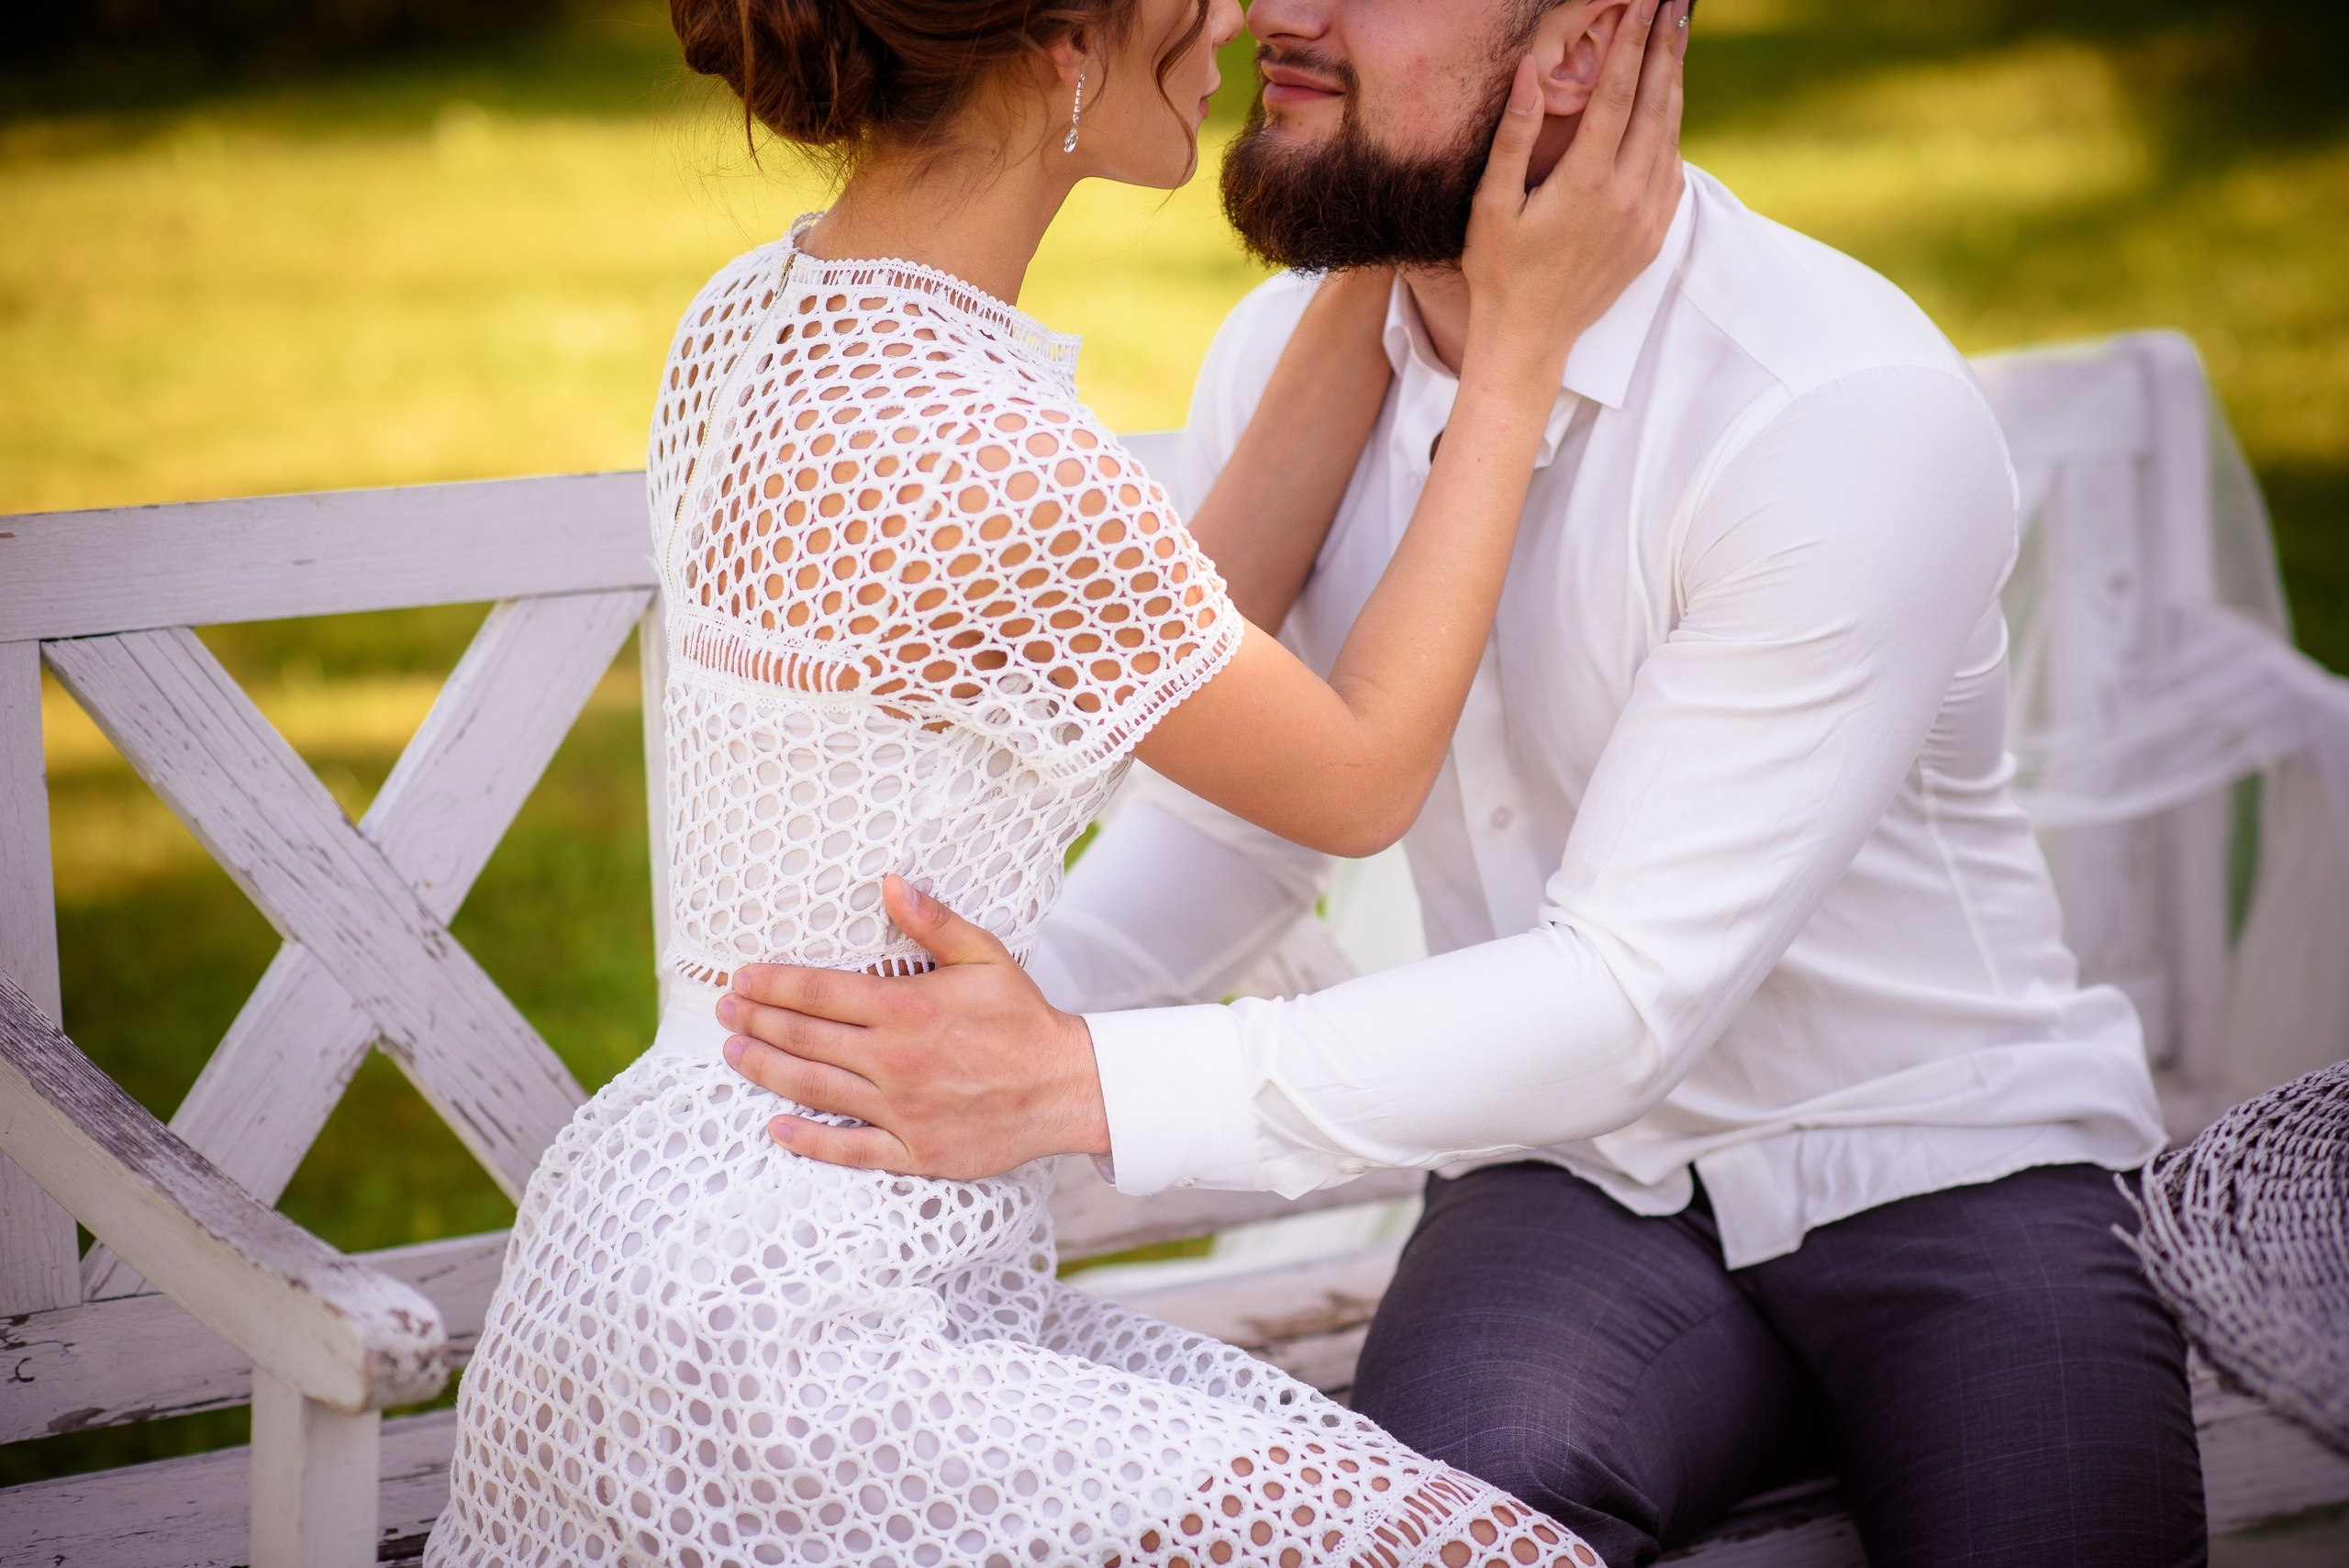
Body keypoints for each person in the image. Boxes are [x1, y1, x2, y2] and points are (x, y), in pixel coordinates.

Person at [712, 2, 2210, 1565]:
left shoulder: (1829, 408)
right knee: (1433, 1536)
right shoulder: (1287, 370)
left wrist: (1073, 1076)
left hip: (1955, 1165)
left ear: (1582, 44)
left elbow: (1632, 992)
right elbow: (1241, 828)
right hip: (1561, 1183)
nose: (1274, 12)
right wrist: (934, 1037)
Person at [428, 0, 1687, 1562]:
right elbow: (1358, 777)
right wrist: (1518, 353)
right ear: (1065, 51)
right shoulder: (1002, 453)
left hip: (669, 1244)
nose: (1235, 12)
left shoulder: (759, 317)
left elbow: (1160, 637)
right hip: (808, 1335)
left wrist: (1397, 195)